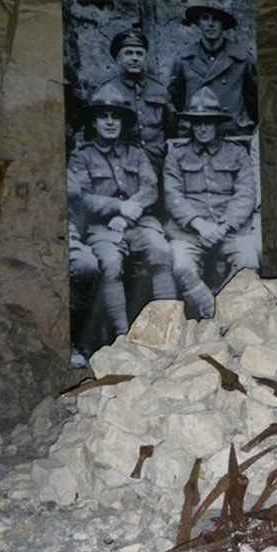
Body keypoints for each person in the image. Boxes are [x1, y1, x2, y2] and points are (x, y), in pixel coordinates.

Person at [67, 84, 176, 361]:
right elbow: (80, 198)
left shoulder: (136, 154)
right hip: (101, 228)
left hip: (139, 223)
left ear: (123, 122)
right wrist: (116, 206)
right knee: (110, 263)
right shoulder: (82, 156)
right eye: (104, 116)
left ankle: (170, 331)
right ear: (94, 121)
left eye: (116, 117)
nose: (110, 122)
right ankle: (121, 338)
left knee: (161, 252)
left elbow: (151, 188)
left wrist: (127, 212)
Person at [164, 87, 260, 319]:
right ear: (191, 125)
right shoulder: (176, 155)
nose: (203, 128)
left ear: (217, 124)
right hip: (189, 232)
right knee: (181, 267)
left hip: (229, 230)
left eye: (208, 122)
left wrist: (224, 226)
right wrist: (199, 224)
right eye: (197, 123)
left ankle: (225, 310)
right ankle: (214, 317)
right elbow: (172, 194)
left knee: (248, 261)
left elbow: (246, 194)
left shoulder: (237, 153)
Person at [169, 3, 258, 136]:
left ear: (223, 24)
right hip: (196, 134)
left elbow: (255, 99)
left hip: (233, 133)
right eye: (205, 18)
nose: (211, 24)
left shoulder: (242, 58)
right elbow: (174, 98)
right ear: (198, 23)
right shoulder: (184, 59)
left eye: (216, 19)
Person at [96, 29, 174, 174]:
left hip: (158, 164)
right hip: (123, 167)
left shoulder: (159, 89)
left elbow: (172, 127)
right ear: (118, 58)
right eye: (129, 53)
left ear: (145, 58)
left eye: (139, 53)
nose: (135, 58)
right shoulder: (106, 90)